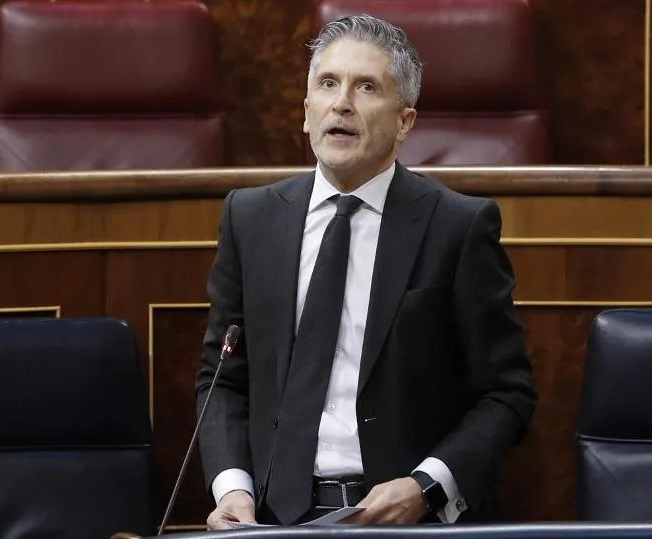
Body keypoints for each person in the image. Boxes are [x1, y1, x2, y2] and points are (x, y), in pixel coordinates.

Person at [195, 14, 537, 530]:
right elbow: (222, 378)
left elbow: (506, 393)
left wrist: (426, 486)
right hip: (272, 519)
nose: (342, 103)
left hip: (405, 521)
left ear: (404, 121)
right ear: (306, 111)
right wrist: (233, 488)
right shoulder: (250, 218)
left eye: (367, 87)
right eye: (327, 84)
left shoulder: (457, 226)